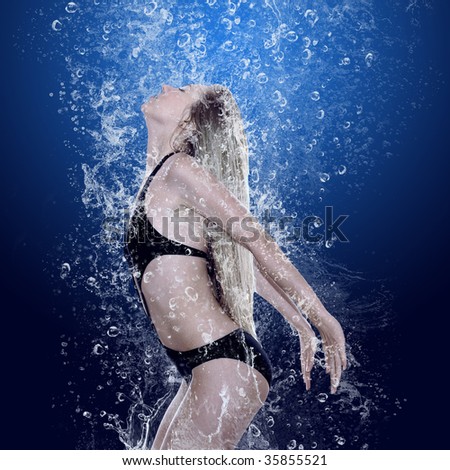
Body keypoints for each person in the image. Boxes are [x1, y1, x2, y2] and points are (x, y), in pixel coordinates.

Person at [124, 83, 347, 450]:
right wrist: (298, 322)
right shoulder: (162, 179)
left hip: (223, 364)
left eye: (181, 88)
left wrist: (321, 319)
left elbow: (256, 240)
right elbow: (241, 264)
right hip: (200, 367)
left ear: (189, 123)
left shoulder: (181, 170)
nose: (165, 86)